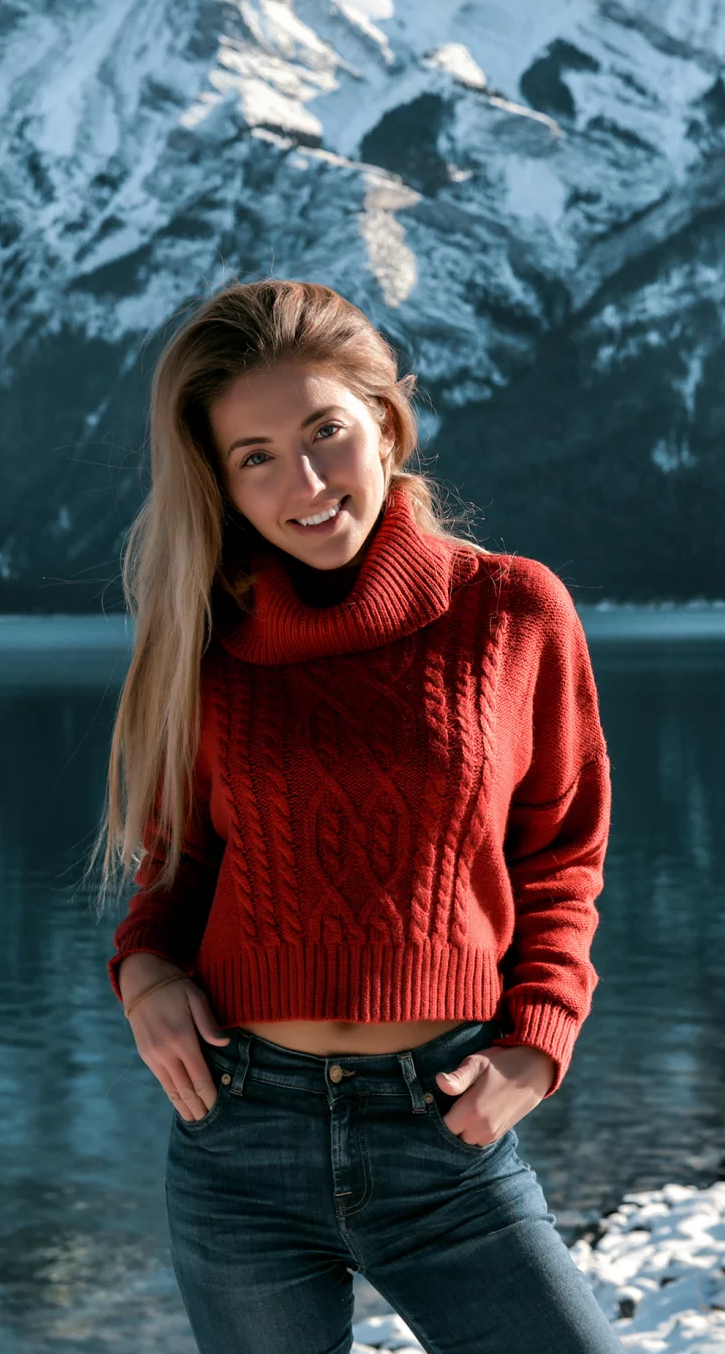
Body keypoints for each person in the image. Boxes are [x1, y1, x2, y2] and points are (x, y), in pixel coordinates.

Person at [88, 279, 620, 1352]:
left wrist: (538, 1038)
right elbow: (176, 871)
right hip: (239, 1135)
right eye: (256, 457)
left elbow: (561, 854)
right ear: (221, 482)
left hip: (446, 1129)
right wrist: (143, 972)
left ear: (385, 418)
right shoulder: (203, 640)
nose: (307, 481)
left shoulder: (512, 610)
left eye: (326, 431)